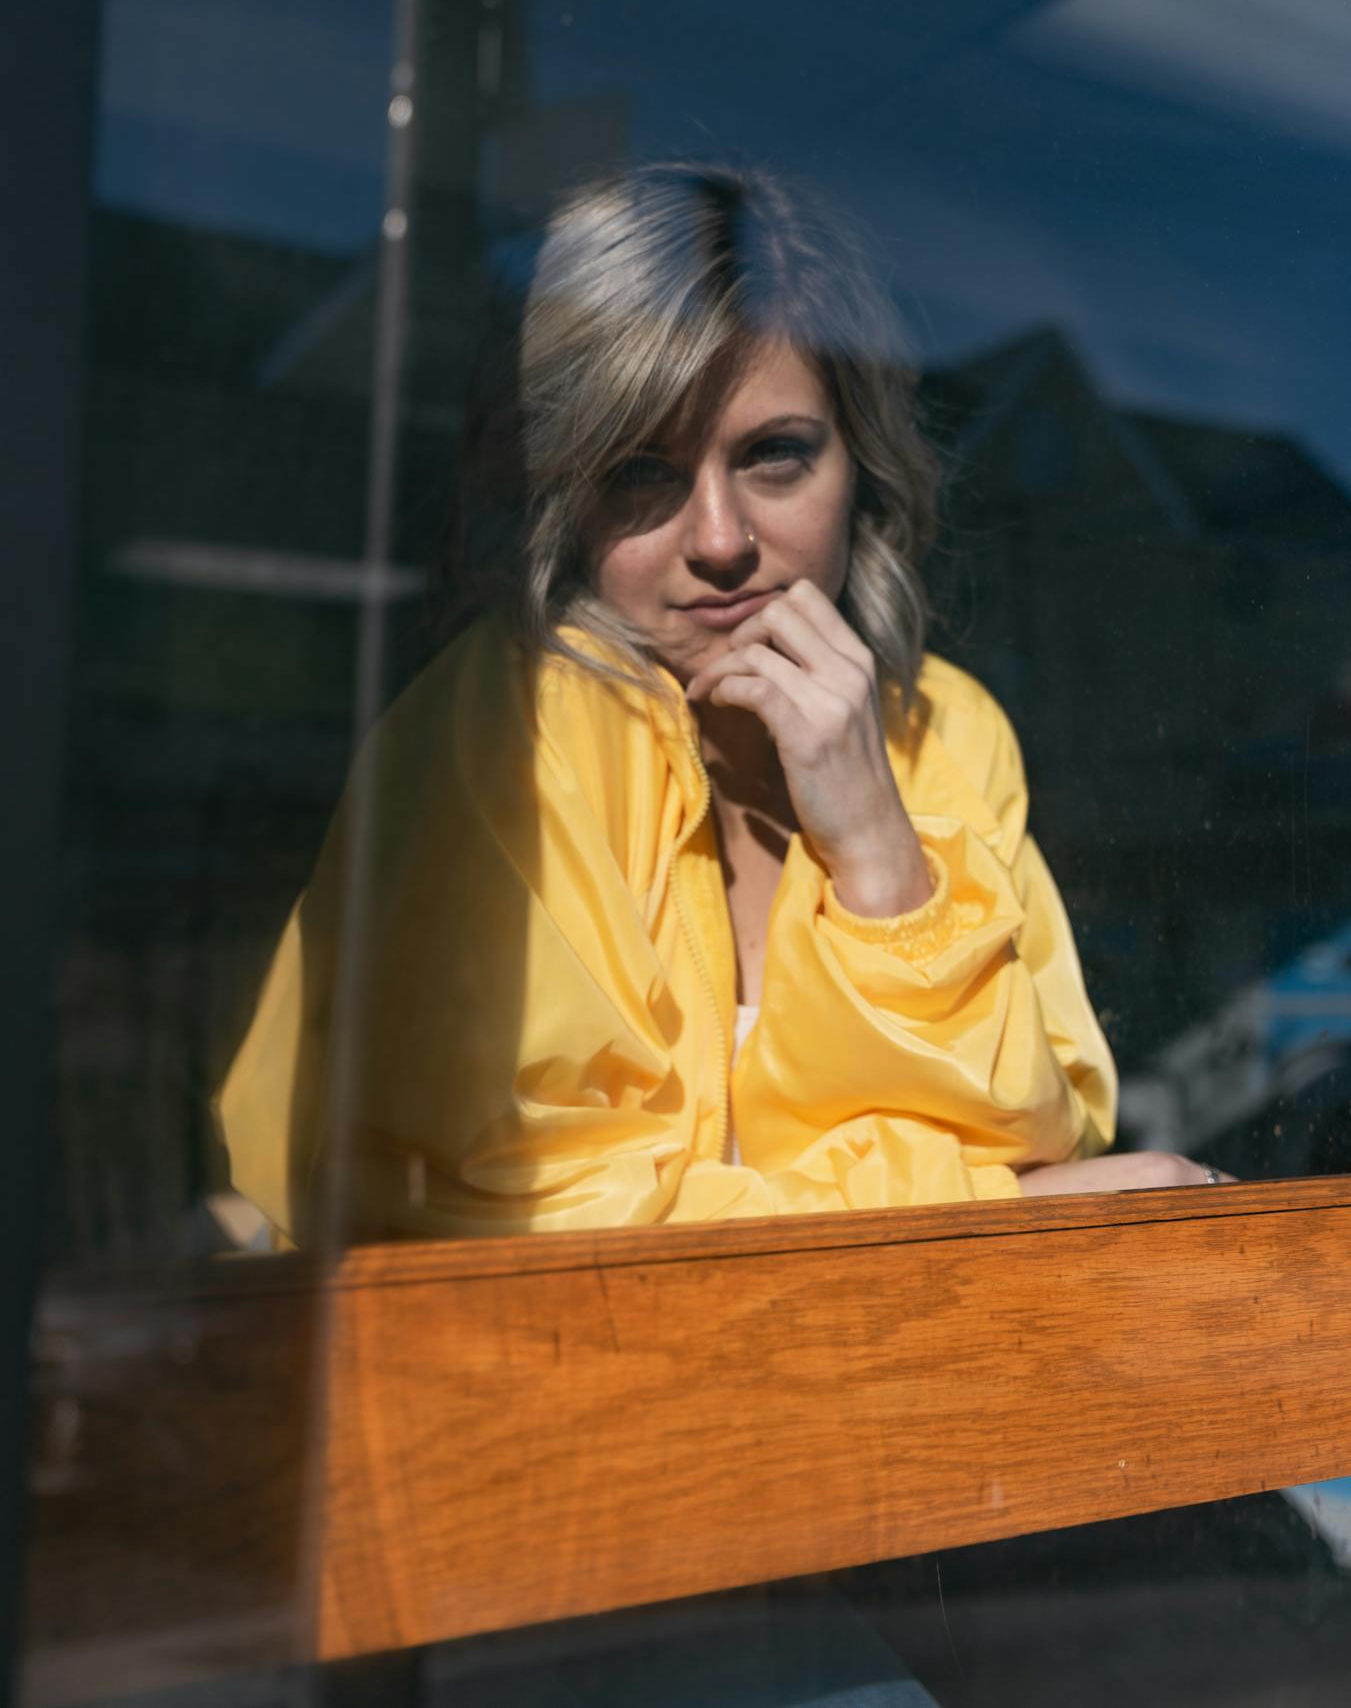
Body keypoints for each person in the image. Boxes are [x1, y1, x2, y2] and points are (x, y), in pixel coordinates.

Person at [216, 164, 1227, 1246]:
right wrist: (997, 1214)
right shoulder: (509, 730)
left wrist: (879, 850)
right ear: (565, 492)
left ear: (860, 461)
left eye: (774, 456)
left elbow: (1037, 1132)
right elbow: (534, 1230)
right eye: (641, 472)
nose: (719, 540)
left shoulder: (944, 727)